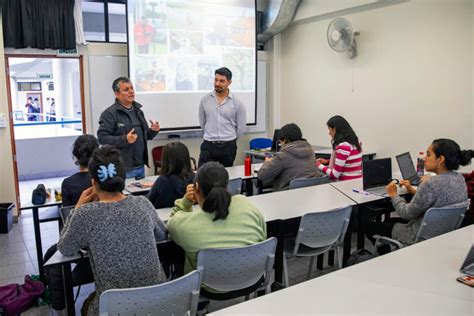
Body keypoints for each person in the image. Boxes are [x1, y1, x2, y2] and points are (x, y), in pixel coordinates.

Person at [58, 145, 167, 315]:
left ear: (93, 182)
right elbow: (161, 235)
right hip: (157, 301)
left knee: (86, 307)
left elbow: (64, 248)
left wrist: (78, 207)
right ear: (123, 178)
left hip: (116, 307)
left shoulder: (85, 214)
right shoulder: (142, 203)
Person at [366, 139, 472, 252]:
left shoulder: (430, 184)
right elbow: (438, 200)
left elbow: (406, 214)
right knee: (390, 222)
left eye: (428, 154)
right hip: (441, 234)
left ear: (440, 159)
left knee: (370, 227)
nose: (424, 159)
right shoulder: (459, 179)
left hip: (416, 235)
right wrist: (412, 190)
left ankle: (392, 256)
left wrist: (393, 194)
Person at [167, 162, 267, 274]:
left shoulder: (185, 225)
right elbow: (263, 234)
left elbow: (170, 224)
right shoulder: (245, 204)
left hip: (206, 288)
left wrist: (186, 202)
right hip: (252, 277)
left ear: (197, 187)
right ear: (227, 185)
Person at [97, 77, 161, 179]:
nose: (131, 91)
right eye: (126, 89)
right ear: (117, 94)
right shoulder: (109, 114)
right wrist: (124, 139)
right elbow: (102, 139)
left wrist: (153, 131)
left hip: (140, 167)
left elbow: (144, 136)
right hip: (123, 168)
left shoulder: (138, 111)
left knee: (141, 195)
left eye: (132, 88)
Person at [198, 67, 246, 167]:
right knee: (203, 175)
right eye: (216, 80)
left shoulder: (237, 103)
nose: (217, 84)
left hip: (228, 146)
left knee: (226, 176)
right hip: (209, 145)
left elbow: (241, 128)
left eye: (222, 81)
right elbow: (202, 122)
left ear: (229, 82)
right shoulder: (205, 100)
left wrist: (229, 137)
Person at [258, 123, 324, 191]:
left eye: (281, 142)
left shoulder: (283, 155)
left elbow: (261, 175)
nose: (281, 145)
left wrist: (267, 162)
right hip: (309, 194)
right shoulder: (310, 150)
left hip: (286, 196)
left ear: (284, 140)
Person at [147, 142, 195, 209]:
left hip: (165, 217)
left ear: (165, 160)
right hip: (190, 216)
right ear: (186, 158)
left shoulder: (162, 181)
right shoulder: (196, 179)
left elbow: (148, 202)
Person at [317, 115, 362, 181]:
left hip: (346, 184)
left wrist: (318, 165)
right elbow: (348, 161)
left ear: (334, 129)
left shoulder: (343, 147)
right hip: (358, 181)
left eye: (329, 129)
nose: (329, 133)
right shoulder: (355, 142)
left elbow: (334, 175)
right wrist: (327, 161)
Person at [61, 135, 99, 207]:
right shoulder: (104, 179)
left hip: (77, 217)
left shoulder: (68, 183)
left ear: (75, 155)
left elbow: (67, 214)